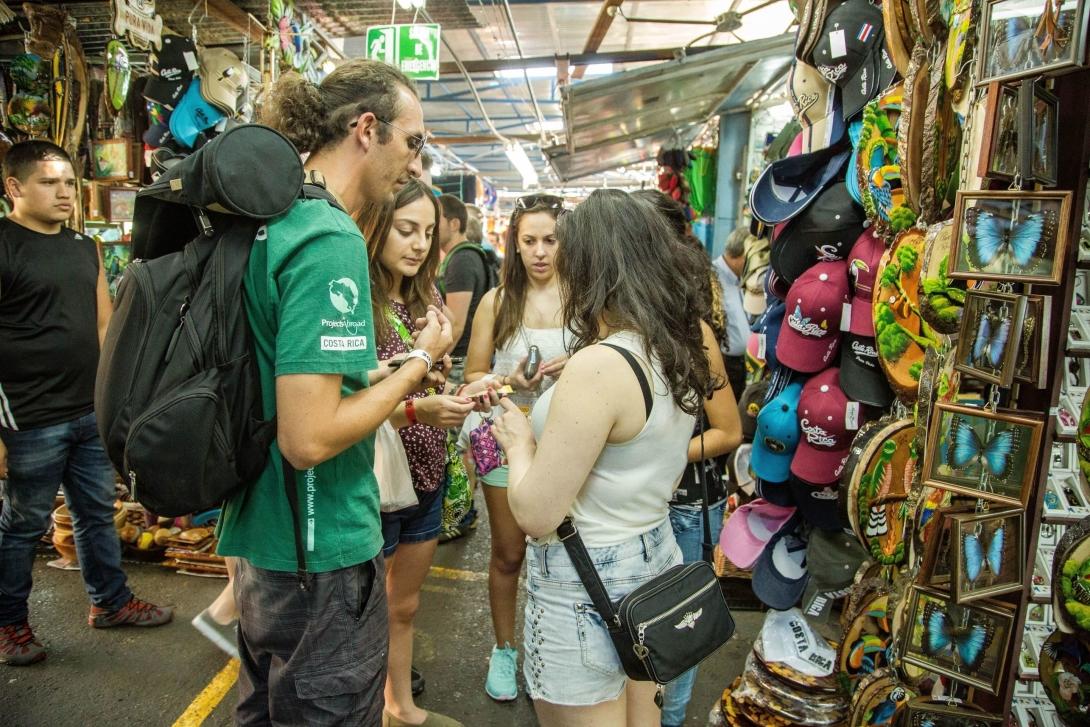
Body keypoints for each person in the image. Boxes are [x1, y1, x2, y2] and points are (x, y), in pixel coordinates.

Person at [215, 61, 455, 726]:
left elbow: (291, 380)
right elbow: (309, 437)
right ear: (366, 129)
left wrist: (381, 375)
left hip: (266, 540)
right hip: (318, 553)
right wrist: (419, 363)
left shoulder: (275, 218)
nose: (415, 163)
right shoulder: (329, 238)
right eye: (413, 142)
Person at [490, 189, 720, 727]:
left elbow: (536, 513)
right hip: (654, 561)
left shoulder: (600, 366)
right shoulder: (673, 344)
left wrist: (521, 442)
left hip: (587, 581)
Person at [0, 140, 174, 667]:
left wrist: (112, 400)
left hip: (86, 410)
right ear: (14, 187)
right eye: (48, 183)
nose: (63, 193)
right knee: (23, 523)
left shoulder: (83, 245)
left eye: (68, 184)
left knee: (96, 512)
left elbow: (104, 325)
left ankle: (110, 603)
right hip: (26, 417)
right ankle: (9, 624)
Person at [366, 179, 497, 727]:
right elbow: (350, 409)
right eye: (405, 230)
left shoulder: (428, 298)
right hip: (374, 480)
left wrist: (462, 391)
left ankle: (400, 705)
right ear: (374, 228)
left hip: (426, 472)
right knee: (362, 611)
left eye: (426, 232)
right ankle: (367, 706)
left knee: (405, 604)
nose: (419, 245)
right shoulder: (356, 303)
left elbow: (425, 385)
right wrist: (420, 406)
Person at [634, 191, 743, 727]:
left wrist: (663, 452)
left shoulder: (690, 328)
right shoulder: (611, 321)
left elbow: (729, 430)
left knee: (676, 635)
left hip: (685, 505)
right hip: (632, 509)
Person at [462, 193, 568, 702]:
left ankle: (557, 648)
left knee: (564, 556)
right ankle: (505, 650)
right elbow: (472, 375)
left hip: (569, 442)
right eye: (530, 241)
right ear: (515, 244)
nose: (541, 251)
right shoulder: (497, 301)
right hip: (503, 437)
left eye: (551, 239)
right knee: (508, 554)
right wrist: (506, 379)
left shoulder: (587, 300)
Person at [437, 193, 495, 385]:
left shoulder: (461, 260)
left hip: (458, 360)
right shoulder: (467, 256)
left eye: (436, 221)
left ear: (454, 224)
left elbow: (456, 324)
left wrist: (434, 362)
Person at [714, 227, 752, 397]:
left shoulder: (742, 278)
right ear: (741, 256)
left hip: (744, 363)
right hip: (723, 364)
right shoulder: (712, 277)